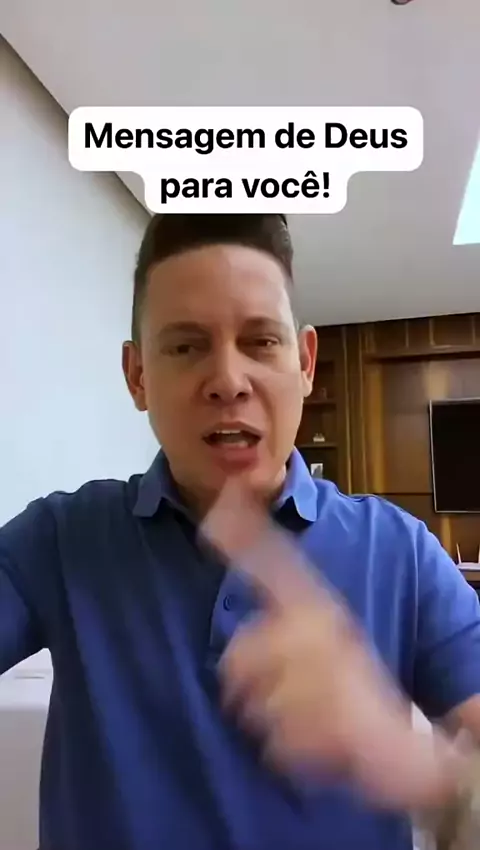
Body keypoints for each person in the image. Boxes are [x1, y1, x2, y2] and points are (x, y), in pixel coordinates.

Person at [1, 213, 480, 850]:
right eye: (186, 346)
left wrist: (407, 759)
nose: (228, 381)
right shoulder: (59, 540)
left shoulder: (402, 553)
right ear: (138, 375)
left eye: (260, 341)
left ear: (305, 362)